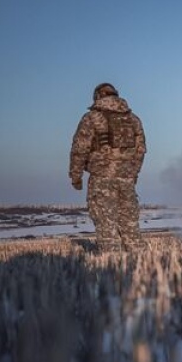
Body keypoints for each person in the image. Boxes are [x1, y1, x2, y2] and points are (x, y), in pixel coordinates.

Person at [69, 83, 147, 252]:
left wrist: (76, 176)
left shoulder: (91, 118)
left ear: (97, 96)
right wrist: (133, 174)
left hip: (101, 178)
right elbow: (140, 151)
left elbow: (79, 149)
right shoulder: (133, 119)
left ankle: (112, 264)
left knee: (106, 224)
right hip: (127, 180)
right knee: (130, 225)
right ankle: (141, 262)